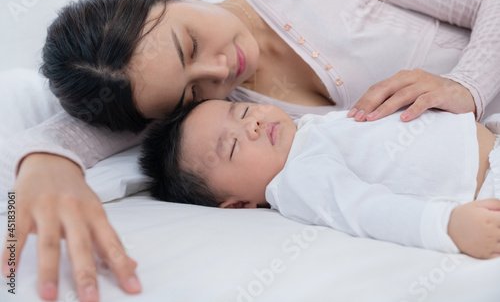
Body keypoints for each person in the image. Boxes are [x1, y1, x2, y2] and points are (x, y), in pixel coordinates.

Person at [2, 0, 500, 300]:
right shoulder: (226, 124)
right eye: (190, 92)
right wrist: (43, 165)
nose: (219, 70)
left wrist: (468, 85)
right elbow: (57, 139)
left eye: (190, 42)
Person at [139, 99, 500, 259]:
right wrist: (446, 226)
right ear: (239, 205)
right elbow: (365, 209)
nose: (254, 124)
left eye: (243, 111)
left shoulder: (306, 129)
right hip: (489, 181)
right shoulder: (298, 177)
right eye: (232, 146)